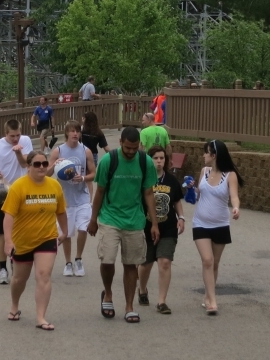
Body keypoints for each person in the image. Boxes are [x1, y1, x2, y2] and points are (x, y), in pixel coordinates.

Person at [88, 126, 159, 324]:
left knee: (131, 264)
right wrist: (93, 219)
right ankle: (108, 294)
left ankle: (129, 306)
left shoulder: (146, 162)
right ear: (120, 142)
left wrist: (154, 223)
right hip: (110, 217)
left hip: (134, 219)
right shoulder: (109, 160)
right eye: (127, 148)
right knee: (107, 260)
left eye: (134, 148)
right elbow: (100, 191)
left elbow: (148, 193)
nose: (130, 152)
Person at [2, 150, 68, 330]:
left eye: (44, 164)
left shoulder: (54, 185)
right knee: (18, 280)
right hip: (22, 240)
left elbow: (61, 211)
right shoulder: (19, 186)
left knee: (43, 275)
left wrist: (65, 231)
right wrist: (8, 241)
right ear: (28, 166)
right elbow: (8, 216)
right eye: (37, 164)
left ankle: (41, 317)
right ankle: (15, 305)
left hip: (47, 237)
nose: (41, 167)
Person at [193, 140, 242, 316]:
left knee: (214, 263)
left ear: (214, 155)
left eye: (206, 152)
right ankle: (212, 301)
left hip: (221, 224)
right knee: (207, 260)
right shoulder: (203, 171)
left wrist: (236, 207)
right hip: (200, 223)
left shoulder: (230, 175)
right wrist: (193, 188)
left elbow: (234, 196)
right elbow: (200, 192)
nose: (203, 155)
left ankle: (207, 295)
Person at [0, 119, 33, 284]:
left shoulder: (25, 141)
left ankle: (16, 262)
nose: (16, 139)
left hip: (21, 192)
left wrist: (18, 151)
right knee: (2, 232)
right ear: (6, 133)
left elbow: (25, 163)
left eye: (18, 135)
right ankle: (2, 268)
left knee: (19, 231)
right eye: (12, 136)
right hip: (1, 192)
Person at [137, 146, 184, 314]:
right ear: (150, 160)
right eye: (155, 158)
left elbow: (177, 200)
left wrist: (182, 218)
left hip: (168, 227)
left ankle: (162, 301)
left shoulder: (171, 180)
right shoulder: (142, 180)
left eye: (162, 158)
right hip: (146, 227)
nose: (159, 161)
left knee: (164, 262)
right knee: (146, 263)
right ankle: (142, 289)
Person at [49, 120, 96, 277]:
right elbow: (47, 174)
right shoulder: (58, 151)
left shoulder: (86, 151)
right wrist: (54, 164)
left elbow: (94, 173)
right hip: (64, 199)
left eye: (78, 131)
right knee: (66, 233)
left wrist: (82, 178)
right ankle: (68, 263)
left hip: (82, 197)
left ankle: (78, 259)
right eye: (72, 131)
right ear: (67, 133)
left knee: (83, 228)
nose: (75, 133)